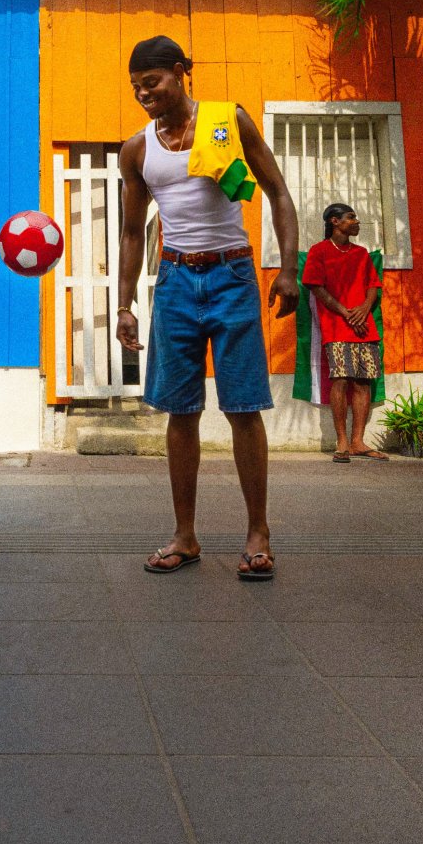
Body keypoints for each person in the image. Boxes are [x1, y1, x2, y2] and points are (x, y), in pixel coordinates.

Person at [114, 36, 298, 579]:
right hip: (174, 279)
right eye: (136, 88)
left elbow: (277, 193)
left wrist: (288, 269)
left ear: (179, 72)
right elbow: (130, 231)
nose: (144, 94)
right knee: (180, 410)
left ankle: (258, 532)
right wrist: (124, 304)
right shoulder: (137, 150)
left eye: (153, 82)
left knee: (243, 407)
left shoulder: (227, 119)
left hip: (233, 273)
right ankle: (185, 536)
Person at [303, 202, 386, 463]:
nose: (356, 221)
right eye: (351, 217)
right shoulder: (319, 252)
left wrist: (363, 309)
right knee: (340, 379)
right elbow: (316, 287)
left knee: (362, 382)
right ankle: (341, 441)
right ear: (334, 221)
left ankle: (358, 441)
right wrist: (346, 312)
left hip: (364, 328)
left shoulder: (361, 254)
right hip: (337, 326)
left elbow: (373, 285)